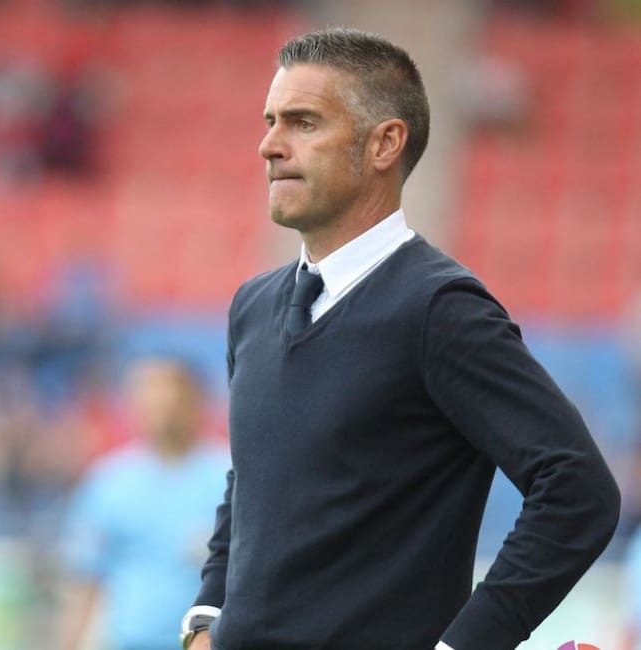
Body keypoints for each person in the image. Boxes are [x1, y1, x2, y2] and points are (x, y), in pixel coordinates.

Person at [180, 28, 620, 650]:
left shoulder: (440, 310)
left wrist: (465, 644)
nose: (269, 145)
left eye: (303, 123)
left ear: (385, 143)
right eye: (271, 121)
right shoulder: (252, 306)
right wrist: (204, 618)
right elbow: (249, 482)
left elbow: (578, 489)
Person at [59, 357, 230, 650]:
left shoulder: (230, 476)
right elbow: (85, 581)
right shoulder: (109, 481)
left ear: (196, 401)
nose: (160, 407)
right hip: (131, 641)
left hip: (206, 642)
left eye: (170, 396)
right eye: (148, 396)